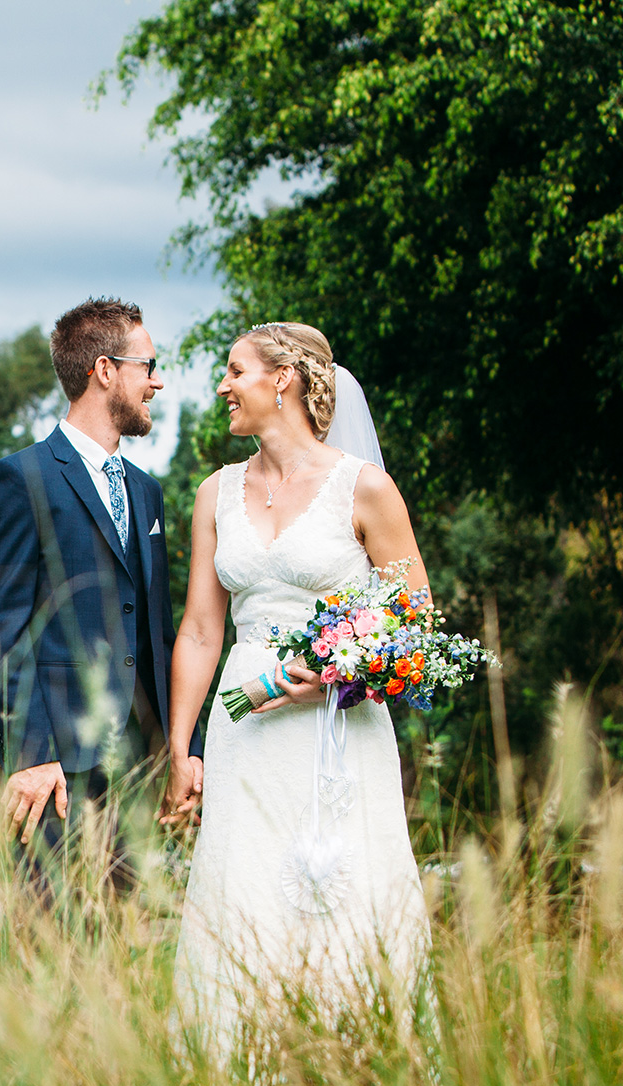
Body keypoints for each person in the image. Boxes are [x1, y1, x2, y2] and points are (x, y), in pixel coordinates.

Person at [157, 322, 430, 1047]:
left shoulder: (365, 488)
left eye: (235, 371)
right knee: (243, 887)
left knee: (341, 894)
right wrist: (181, 748)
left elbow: (416, 624)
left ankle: (356, 1063)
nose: (223, 386)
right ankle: (236, 1075)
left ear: (282, 379)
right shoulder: (215, 493)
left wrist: (343, 671)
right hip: (243, 726)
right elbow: (199, 630)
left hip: (335, 728)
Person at [0, 297, 195, 909]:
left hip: (138, 768)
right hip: (55, 774)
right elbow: (0, 631)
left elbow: (158, 631)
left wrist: (182, 748)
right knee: (51, 947)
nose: (157, 380)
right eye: (147, 365)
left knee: (126, 953)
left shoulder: (146, 494)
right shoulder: (20, 480)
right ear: (104, 369)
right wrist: (32, 756)